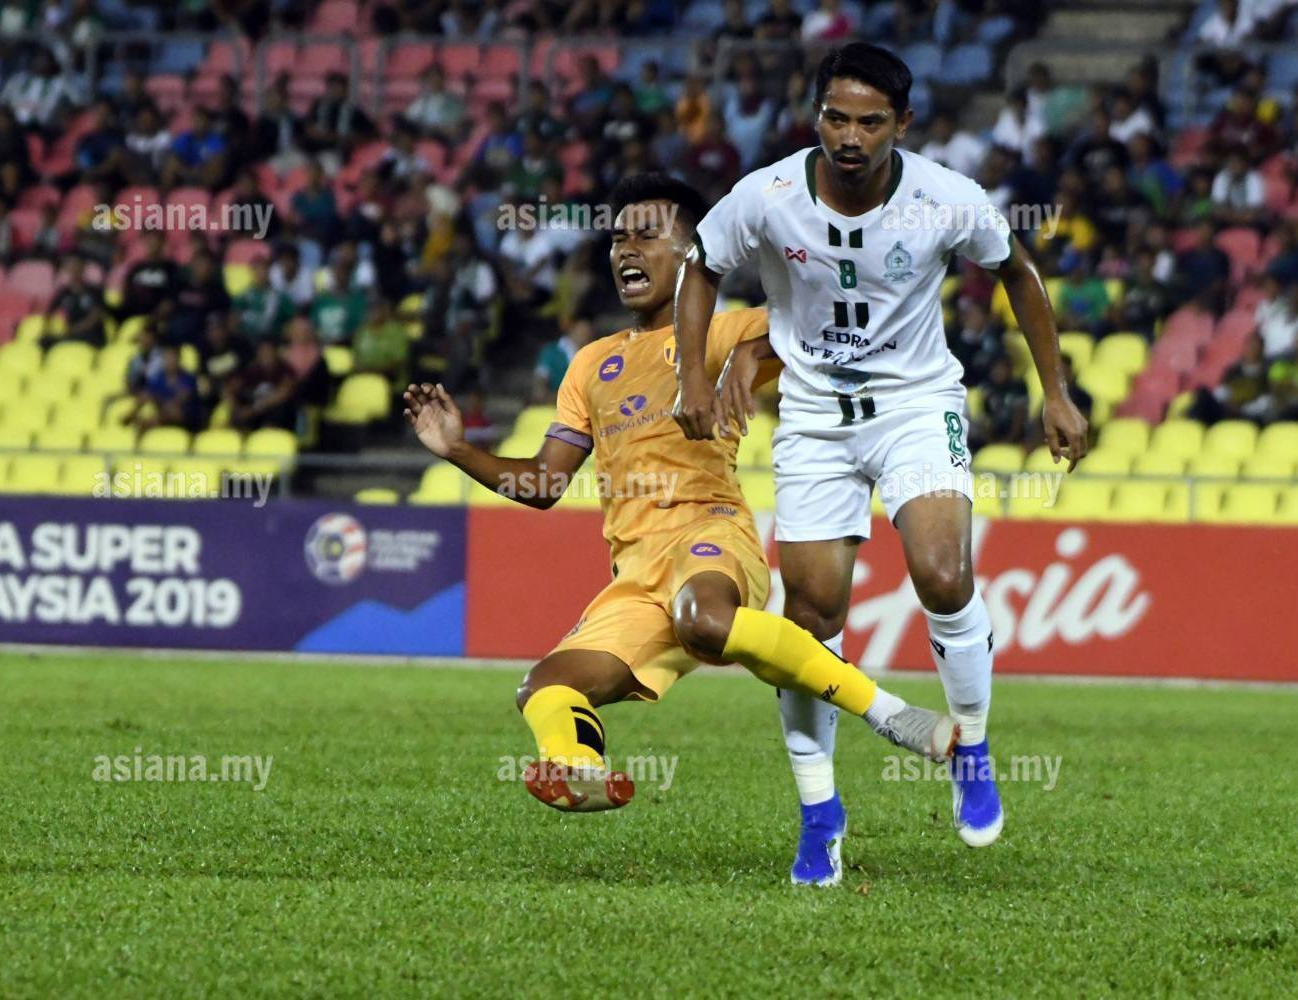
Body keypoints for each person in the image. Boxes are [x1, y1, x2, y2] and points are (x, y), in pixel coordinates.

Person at [405, 173, 957, 871]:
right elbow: (544, 483)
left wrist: (754, 356)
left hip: (713, 535)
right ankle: (581, 770)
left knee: (703, 618)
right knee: (544, 687)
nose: (625, 250)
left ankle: (889, 713)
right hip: (637, 573)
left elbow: (843, 329)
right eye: (617, 238)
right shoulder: (590, 363)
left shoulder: (728, 331)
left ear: (694, 254)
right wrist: (459, 451)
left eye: (645, 234)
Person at [675, 44, 1090, 861]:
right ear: (816, 116)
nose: (850, 137)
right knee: (811, 617)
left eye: (870, 122)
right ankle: (819, 816)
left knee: (943, 574)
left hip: (915, 406)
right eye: (836, 118)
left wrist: (1057, 390)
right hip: (813, 419)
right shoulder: (768, 196)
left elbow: (1018, 271)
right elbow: (700, 266)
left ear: (903, 122)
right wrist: (694, 375)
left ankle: (971, 746)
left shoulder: (945, 198)